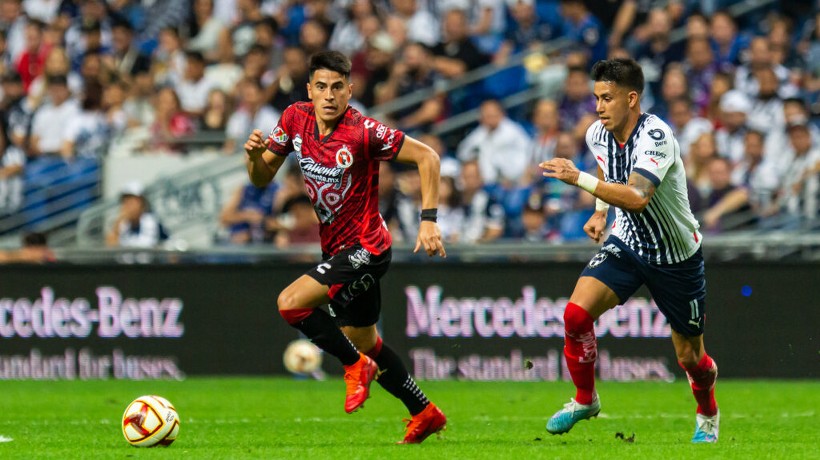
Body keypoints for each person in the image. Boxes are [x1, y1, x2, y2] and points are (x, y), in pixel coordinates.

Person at [244, 50, 447, 444]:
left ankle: (355, 367)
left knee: (290, 302)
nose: (330, 95)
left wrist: (428, 221)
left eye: (338, 87)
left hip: (368, 247)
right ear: (309, 90)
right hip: (336, 250)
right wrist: (253, 157)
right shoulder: (293, 119)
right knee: (366, 340)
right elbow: (260, 177)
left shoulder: (363, 131)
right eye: (321, 86)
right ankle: (424, 411)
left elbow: (428, 157)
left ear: (350, 90)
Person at [539, 58, 719, 443]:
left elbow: (637, 196)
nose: (599, 106)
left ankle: (707, 413)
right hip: (629, 242)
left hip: (675, 256)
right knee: (574, 315)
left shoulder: (656, 136)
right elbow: (607, 169)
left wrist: (578, 178)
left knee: (690, 359)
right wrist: (600, 212)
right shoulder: (596, 134)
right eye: (596, 98)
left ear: (632, 98)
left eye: (607, 98)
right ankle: (585, 400)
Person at [106, 181, 169, 248]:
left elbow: (145, 251)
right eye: (125, 201)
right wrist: (117, 223)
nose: (127, 205)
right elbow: (110, 247)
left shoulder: (152, 222)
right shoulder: (122, 224)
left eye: (131, 200)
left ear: (142, 202)